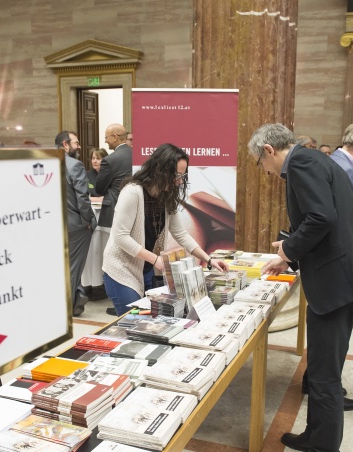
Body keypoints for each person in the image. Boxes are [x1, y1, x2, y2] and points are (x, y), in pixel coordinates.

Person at [253, 123, 353, 452]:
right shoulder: (314, 159)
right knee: (324, 364)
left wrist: (288, 249)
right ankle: (315, 435)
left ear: (268, 150)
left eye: (261, 164)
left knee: (324, 375)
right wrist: (290, 257)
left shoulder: (300, 164)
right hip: (343, 278)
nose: (267, 174)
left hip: (337, 283)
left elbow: (320, 218)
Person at [101, 143, 228, 315]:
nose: (180, 181)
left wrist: (209, 260)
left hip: (144, 268)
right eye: (177, 175)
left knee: (150, 322)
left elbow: (181, 234)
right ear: (161, 170)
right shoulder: (132, 192)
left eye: (183, 176)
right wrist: (155, 260)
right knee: (133, 323)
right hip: (121, 268)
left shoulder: (167, 196)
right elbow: (120, 237)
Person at [55, 130, 97, 316]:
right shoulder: (76, 166)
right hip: (76, 226)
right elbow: (83, 198)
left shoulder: (48, 164)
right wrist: (89, 221)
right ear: (65, 144)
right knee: (73, 267)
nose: (79, 146)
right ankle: (69, 307)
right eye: (76, 143)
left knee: (62, 265)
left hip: (55, 224)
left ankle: (78, 297)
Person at [96, 123, 133, 314]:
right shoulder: (136, 155)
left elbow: (99, 189)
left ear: (116, 137)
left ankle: (118, 301)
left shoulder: (110, 160)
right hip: (134, 211)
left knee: (115, 256)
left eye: (107, 137)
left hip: (114, 212)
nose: (105, 141)